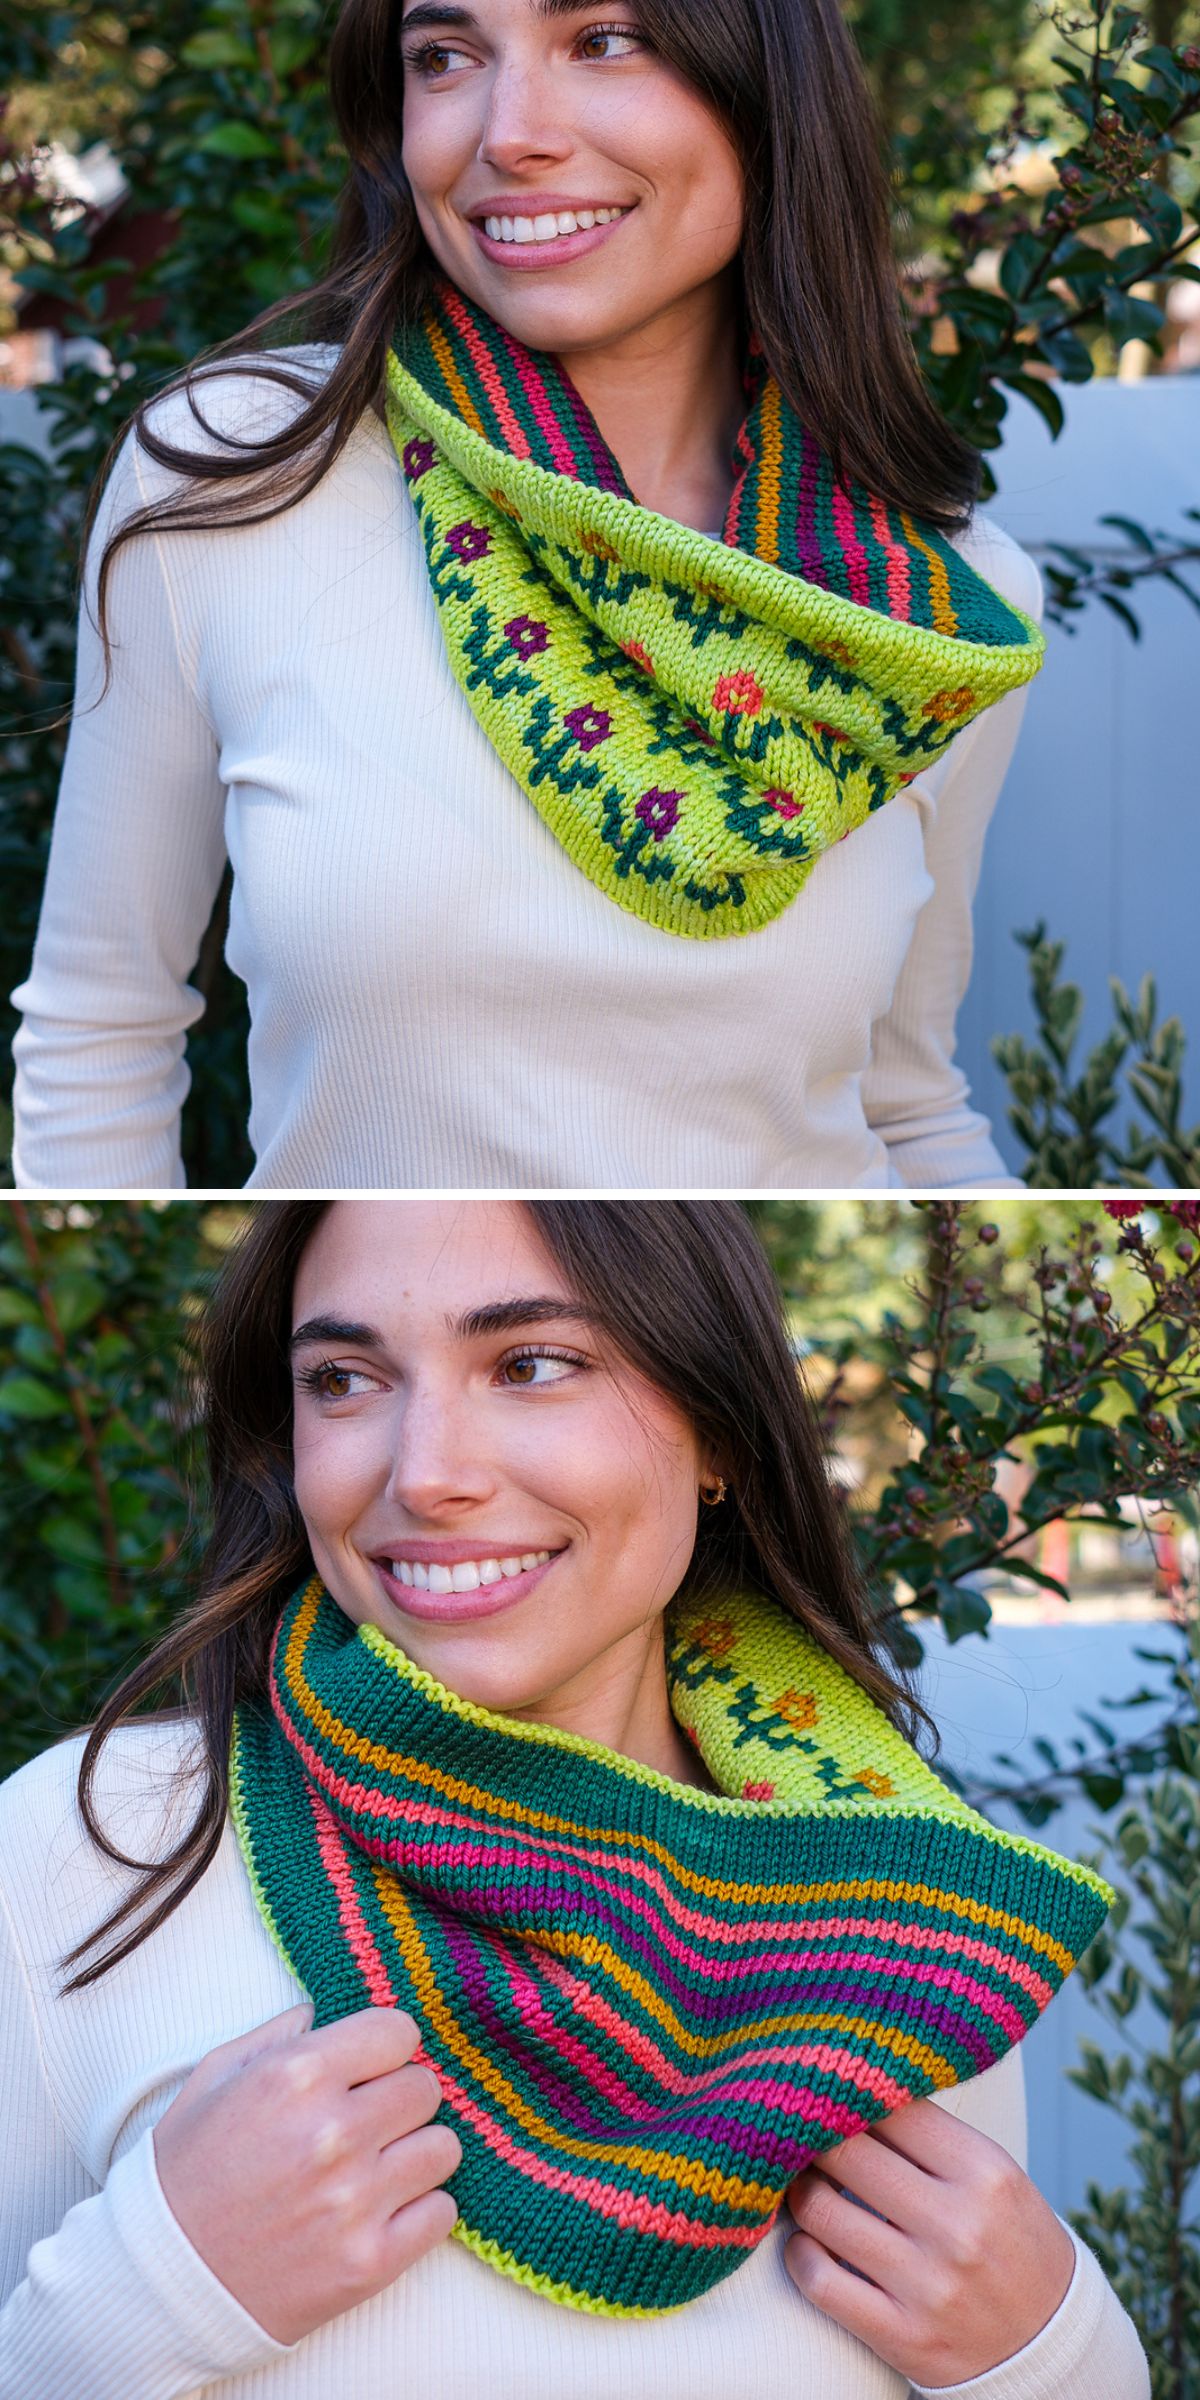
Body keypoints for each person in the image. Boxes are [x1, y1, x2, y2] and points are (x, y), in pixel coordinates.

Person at [0, 1198, 1149, 2398]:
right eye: (343, 1380)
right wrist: (153, 2293)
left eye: (531, 1365)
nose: (426, 1474)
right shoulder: (94, 1848)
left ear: (718, 1432)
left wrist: (1049, 2352)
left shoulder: (906, 1911)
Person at [12, 0, 1044, 1193]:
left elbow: (906, 1103)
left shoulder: (935, 612)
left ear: (766, 88)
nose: (508, 134)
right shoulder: (236, 473)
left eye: (602, 40)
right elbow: (100, 1033)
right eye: (443, 57)